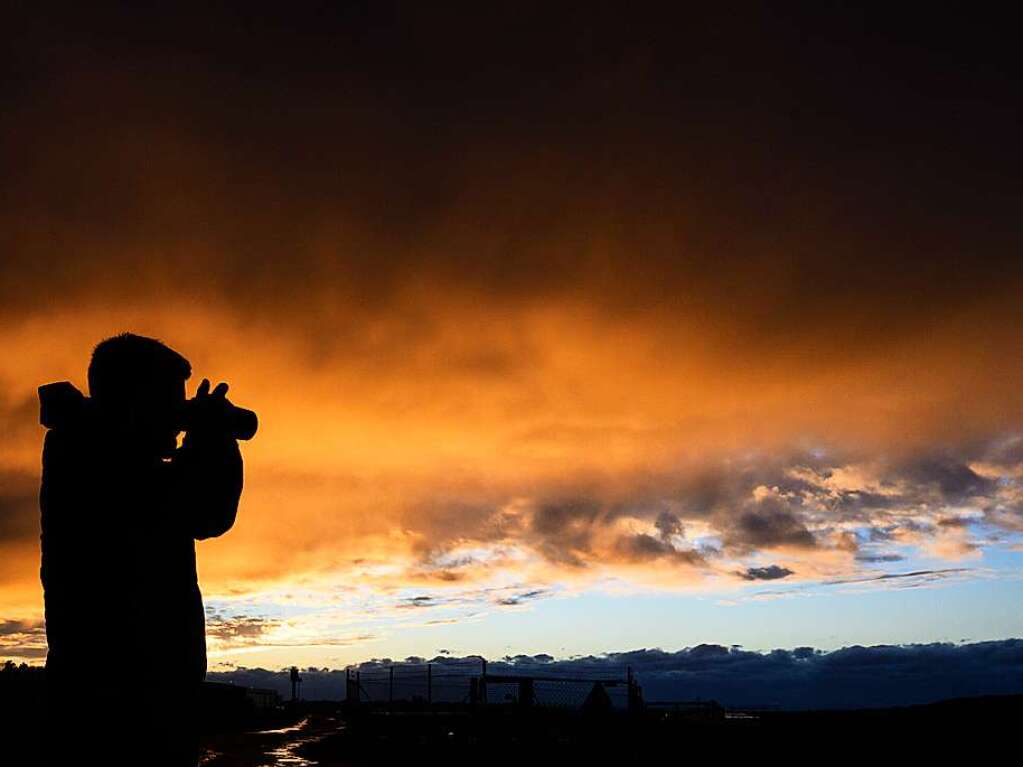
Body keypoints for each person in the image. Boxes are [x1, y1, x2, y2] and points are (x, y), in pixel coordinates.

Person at [39, 333, 245, 766]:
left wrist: (203, 440)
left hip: (135, 698)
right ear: (136, 399)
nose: (178, 418)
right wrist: (212, 439)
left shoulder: (98, 449)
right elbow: (205, 512)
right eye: (172, 401)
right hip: (123, 705)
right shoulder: (88, 456)